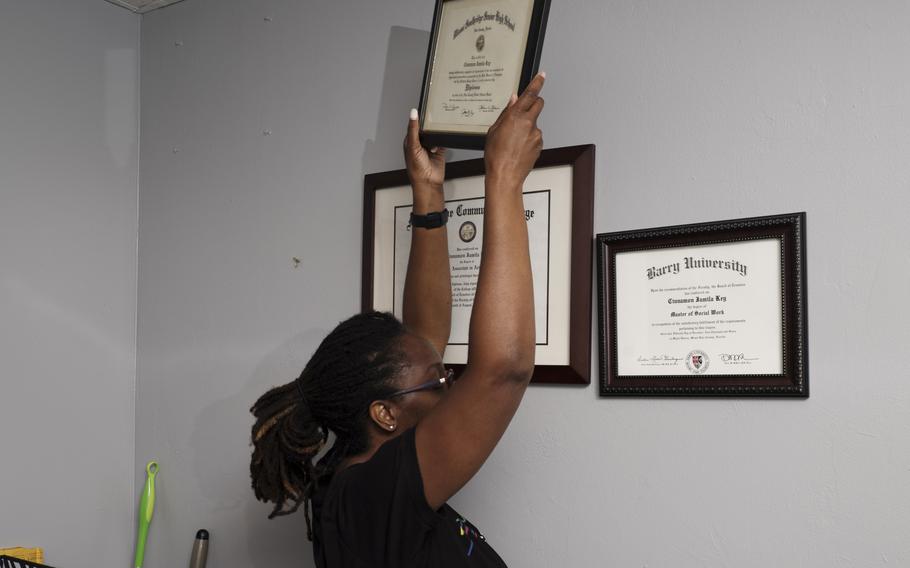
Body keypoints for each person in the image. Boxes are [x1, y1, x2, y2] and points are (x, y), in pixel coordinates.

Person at [250, 72, 546, 567]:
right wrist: (504, 176)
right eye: (441, 380)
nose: (451, 385)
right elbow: (504, 370)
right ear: (383, 412)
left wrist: (428, 196)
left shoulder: (358, 475)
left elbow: (423, 338)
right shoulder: (366, 499)